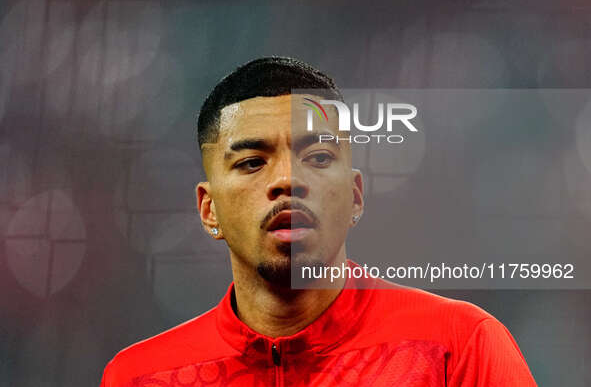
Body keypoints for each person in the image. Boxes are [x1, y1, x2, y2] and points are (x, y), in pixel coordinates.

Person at [100, 56, 537, 386]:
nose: (288, 180)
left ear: (355, 195)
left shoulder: (459, 347)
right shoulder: (140, 376)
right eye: (253, 162)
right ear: (208, 208)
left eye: (319, 157)